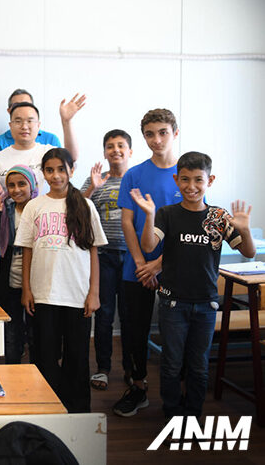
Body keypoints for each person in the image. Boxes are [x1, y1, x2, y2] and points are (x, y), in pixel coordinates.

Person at [130, 151, 255, 420]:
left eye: (198, 180)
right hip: (173, 303)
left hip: (207, 304)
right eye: (185, 179)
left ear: (210, 180)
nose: (191, 186)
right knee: (172, 364)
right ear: (176, 179)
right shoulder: (167, 213)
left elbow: (248, 252)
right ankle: (173, 413)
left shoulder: (219, 217)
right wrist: (149, 215)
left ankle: (193, 415)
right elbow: (149, 245)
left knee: (199, 366)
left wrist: (244, 229)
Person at [16, 148, 107, 414]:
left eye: (60, 169)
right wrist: (27, 289)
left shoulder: (85, 205)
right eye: (49, 170)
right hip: (43, 294)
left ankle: (77, 412)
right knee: (45, 355)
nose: (55, 175)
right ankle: (48, 407)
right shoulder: (35, 206)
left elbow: (93, 251)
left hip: (77, 295)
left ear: (71, 171)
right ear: (43, 173)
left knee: (77, 357)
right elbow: (27, 250)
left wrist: (94, 293)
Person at [112, 109, 183, 418]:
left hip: (177, 267)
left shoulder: (187, 174)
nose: (157, 139)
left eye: (163, 132)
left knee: (176, 332)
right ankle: (138, 386)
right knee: (134, 330)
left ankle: (178, 393)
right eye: (150, 134)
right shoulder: (134, 174)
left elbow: (192, 226)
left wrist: (159, 265)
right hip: (136, 267)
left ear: (174, 133)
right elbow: (128, 222)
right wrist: (143, 262)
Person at [80, 130, 133, 391]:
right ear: (104, 152)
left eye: (121, 145)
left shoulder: (138, 180)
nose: (115, 150)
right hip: (103, 258)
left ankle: (133, 370)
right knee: (103, 316)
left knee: (131, 316)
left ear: (130, 151)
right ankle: (102, 369)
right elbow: (74, 210)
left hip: (133, 258)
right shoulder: (96, 180)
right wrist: (92, 187)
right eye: (110, 146)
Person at [0, 165, 39, 364]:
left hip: (36, 278)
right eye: (11, 185)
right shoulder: (5, 208)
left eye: (22, 184)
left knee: (36, 331)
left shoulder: (41, 208)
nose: (16, 189)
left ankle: (38, 373)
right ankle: (13, 369)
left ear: (32, 185)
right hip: (9, 276)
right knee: (12, 331)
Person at [0, 97, 85, 191]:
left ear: (38, 125)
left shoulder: (49, 152)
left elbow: (71, 158)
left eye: (30, 121)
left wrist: (66, 122)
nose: (24, 126)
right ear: (10, 125)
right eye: (18, 121)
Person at [0, 89, 62, 159]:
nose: (22, 108)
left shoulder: (51, 140)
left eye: (26, 104)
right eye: (16, 105)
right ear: (9, 110)